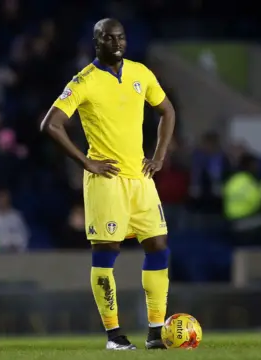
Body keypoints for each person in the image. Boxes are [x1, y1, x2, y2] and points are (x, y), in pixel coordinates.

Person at [40, 18, 176, 350]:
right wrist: (86, 162)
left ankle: (156, 332)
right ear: (96, 42)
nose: (117, 43)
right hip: (107, 180)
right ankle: (114, 336)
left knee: (158, 246)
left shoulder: (140, 73)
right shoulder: (84, 81)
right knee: (107, 253)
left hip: (141, 179)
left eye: (121, 37)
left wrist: (158, 156)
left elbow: (167, 111)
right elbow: (51, 124)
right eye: (109, 38)